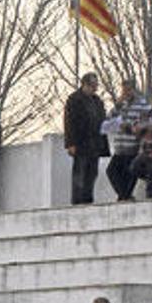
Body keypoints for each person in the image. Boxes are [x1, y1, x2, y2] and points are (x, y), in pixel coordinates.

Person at [64, 73, 110, 205]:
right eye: (92, 85)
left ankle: (88, 199)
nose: (95, 89)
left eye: (96, 86)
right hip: (81, 143)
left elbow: (102, 119)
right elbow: (69, 122)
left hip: (95, 144)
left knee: (92, 173)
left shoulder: (97, 101)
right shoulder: (74, 99)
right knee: (80, 174)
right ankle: (77, 201)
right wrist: (71, 143)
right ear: (84, 84)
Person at [106, 79, 152, 201]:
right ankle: (125, 196)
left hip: (132, 146)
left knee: (129, 174)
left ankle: (124, 196)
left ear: (133, 89)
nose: (125, 93)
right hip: (119, 147)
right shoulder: (121, 104)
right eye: (124, 91)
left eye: (128, 90)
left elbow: (148, 121)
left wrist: (134, 127)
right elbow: (109, 119)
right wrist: (117, 106)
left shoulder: (142, 104)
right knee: (111, 172)